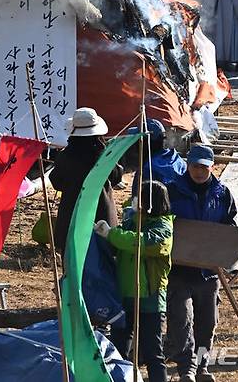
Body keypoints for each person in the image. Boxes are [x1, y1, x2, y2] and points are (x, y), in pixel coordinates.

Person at [166, 145, 237, 382]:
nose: (199, 171)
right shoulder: (172, 191)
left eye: (204, 167)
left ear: (212, 166)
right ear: (188, 165)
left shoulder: (222, 193)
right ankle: (186, 368)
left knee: (207, 323)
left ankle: (202, 366)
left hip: (208, 271)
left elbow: (230, 224)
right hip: (178, 269)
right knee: (181, 320)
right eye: (195, 166)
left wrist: (226, 249)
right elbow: (163, 224)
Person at [95, 181, 173, 382]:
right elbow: (118, 243)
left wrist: (111, 234)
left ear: (150, 201)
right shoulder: (131, 221)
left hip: (150, 299)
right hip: (124, 297)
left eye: (139, 196)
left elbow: (141, 242)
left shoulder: (163, 227)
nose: (134, 199)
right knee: (119, 350)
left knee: (152, 352)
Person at [50, 108, 122, 255]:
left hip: (72, 216)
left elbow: (56, 182)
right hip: (102, 219)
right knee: (102, 267)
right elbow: (117, 176)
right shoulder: (105, 155)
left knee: (72, 265)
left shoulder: (66, 156)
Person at [129, 119, 187, 194]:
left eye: (137, 141)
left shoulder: (148, 170)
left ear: (146, 142)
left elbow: (138, 201)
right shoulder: (176, 158)